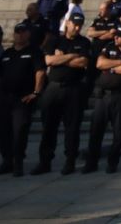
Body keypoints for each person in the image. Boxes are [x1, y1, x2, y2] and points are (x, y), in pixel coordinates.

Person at [32, 12, 90, 175]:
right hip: (54, 87)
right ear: (67, 23)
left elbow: (83, 62)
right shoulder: (55, 40)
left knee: (72, 128)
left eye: (80, 25)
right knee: (49, 126)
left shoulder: (84, 42)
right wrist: (72, 56)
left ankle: (70, 161)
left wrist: (63, 57)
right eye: (74, 24)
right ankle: (45, 161)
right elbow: (49, 61)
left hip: (74, 88)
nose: (77, 27)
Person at [82, 25, 121, 174]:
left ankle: (112, 162)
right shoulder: (109, 47)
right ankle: (91, 162)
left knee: (118, 131)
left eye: (119, 36)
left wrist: (111, 68)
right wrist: (120, 62)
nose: (116, 38)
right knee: (96, 130)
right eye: (115, 35)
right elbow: (100, 63)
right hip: (104, 95)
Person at [0, 23, 45, 177]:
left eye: (23, 32)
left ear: (28, 34)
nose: (19, 35)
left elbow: (40, 72)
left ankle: (18, 162)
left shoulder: (34, 52)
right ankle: (6, 161)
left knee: (19, 131)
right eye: (17, 32)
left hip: (23, 99)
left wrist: (36, 92)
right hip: (5, 98)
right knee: (3, 131)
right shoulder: (7, 53)